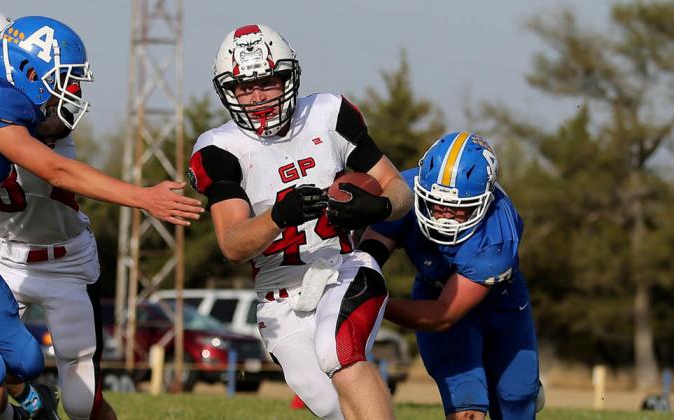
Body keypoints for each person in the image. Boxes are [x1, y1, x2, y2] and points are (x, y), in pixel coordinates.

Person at [0, 15, 202, 420]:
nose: (70, 91)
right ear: (28, 70)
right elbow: (57, 171)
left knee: (28, 362)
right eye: (62, 78)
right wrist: (143, 197)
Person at [188, 24, 413, 420]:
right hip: (278, 300)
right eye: (244, 87)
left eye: (266, 83)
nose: (256, 97)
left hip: (341, 268)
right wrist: (278, 215)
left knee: (338, 351)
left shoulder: (328, 113)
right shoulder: (220, 149)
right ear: (227, 92)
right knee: (330, 405)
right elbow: (233, 245)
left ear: (288, 77)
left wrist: (376, 209)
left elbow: (399, 190)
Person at [0, 7, 117, 420]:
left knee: (81, 402)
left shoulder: (44, 120)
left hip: (66, 261)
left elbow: (48, 136)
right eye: (65, 78)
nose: (72, 89)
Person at [358, 131, 541, 419]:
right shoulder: (405, 189)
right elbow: (376, 244)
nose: (444, 215)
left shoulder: (497, 236)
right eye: (436, 204)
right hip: (434, 288)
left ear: (485, 199)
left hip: (499, 302)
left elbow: (443, 314)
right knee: (466, 401)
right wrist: (358, 279)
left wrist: (376, 303)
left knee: (516, 399)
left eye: (458, 209)